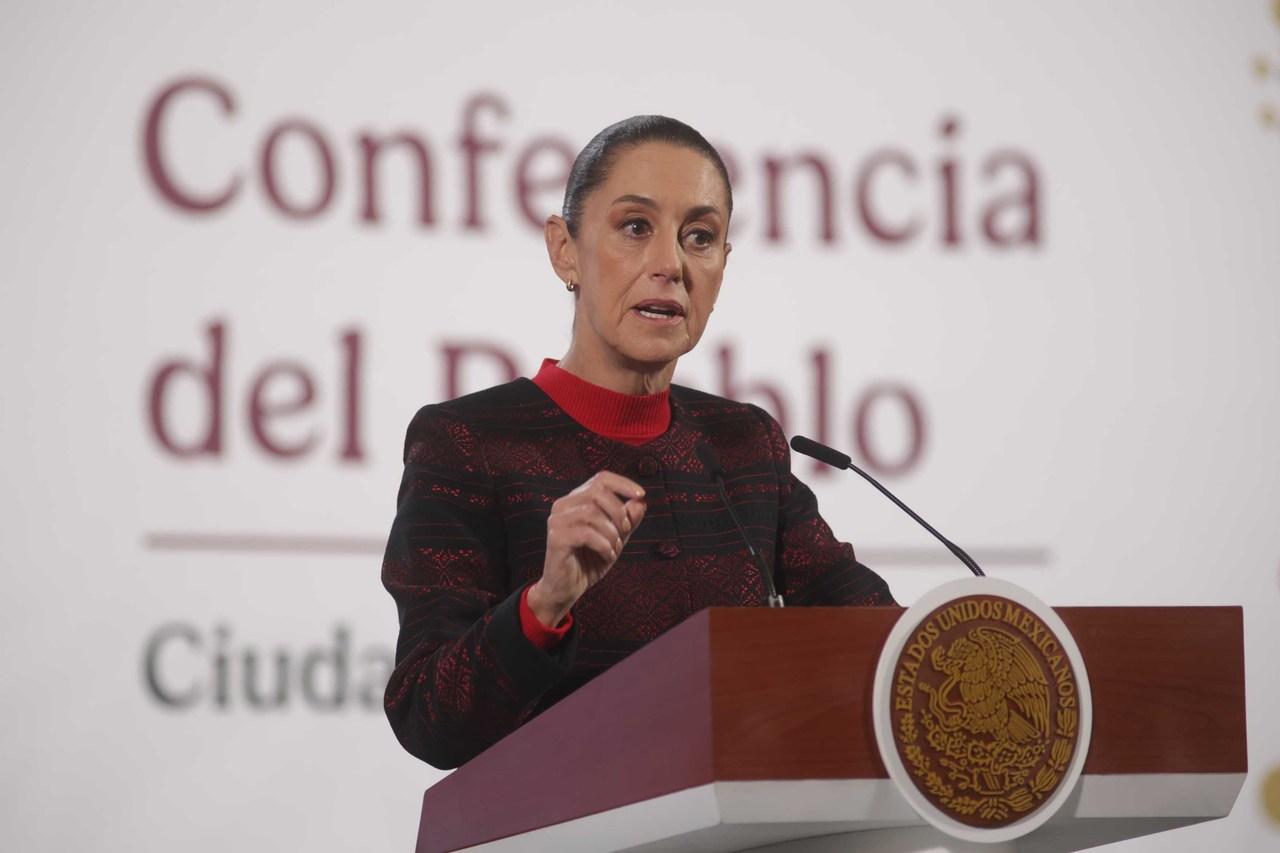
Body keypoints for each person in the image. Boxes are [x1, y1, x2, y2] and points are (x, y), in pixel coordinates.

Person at [382, 115, 895, 770]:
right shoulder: (469, 442)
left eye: (700, 238)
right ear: (564, 250)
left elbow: (873, 633)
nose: (671, 265)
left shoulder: (744, 445)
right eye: (634, 227)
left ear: (723, 265)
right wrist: (544, 603)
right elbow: (428, 716)